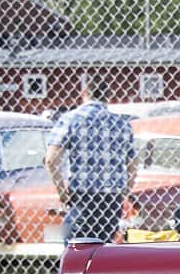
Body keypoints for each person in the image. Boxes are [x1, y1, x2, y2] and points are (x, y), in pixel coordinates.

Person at [45, 99, 136, 244]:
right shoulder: (121, 123)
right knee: (102, 246)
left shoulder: (71, 119)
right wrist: (126, 189)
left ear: (84, 93)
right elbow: (132, 163)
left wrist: (62, 192)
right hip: (111, 198)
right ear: (108, 95)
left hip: (82, 196)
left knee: (75, 247)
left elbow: (51, 160)